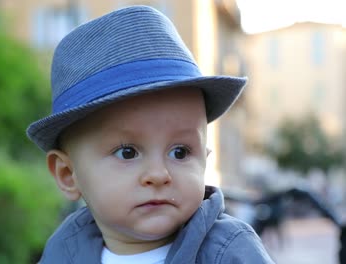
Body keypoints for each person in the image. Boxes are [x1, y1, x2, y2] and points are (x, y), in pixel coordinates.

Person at [26, 5, 274, 264]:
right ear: (68, 174)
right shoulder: (64, 252)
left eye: (180, 152)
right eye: (128, 152)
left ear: (204, 160)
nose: (158, 175)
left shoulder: (227, 251)